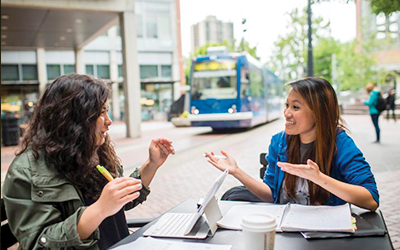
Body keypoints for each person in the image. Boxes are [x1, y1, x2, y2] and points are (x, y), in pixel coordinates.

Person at [3, 74, 175, 250]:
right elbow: (39, 245)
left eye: (107, 111)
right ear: (72, 118)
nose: (109, 121)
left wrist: (152, 164)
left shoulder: (91, 150)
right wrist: (99, 209)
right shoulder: (26, 172)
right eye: (101, 113)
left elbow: (120, 201)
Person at [205, 77, 379, 212]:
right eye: (287, 105)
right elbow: (271, 194)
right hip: (286, 230)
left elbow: (371, 200)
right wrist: (236, 171)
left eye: (295, 107)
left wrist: (319, 178)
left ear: (319, 112)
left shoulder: (340, 143)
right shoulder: (279, 142)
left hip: (325, 234)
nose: (286, 113)